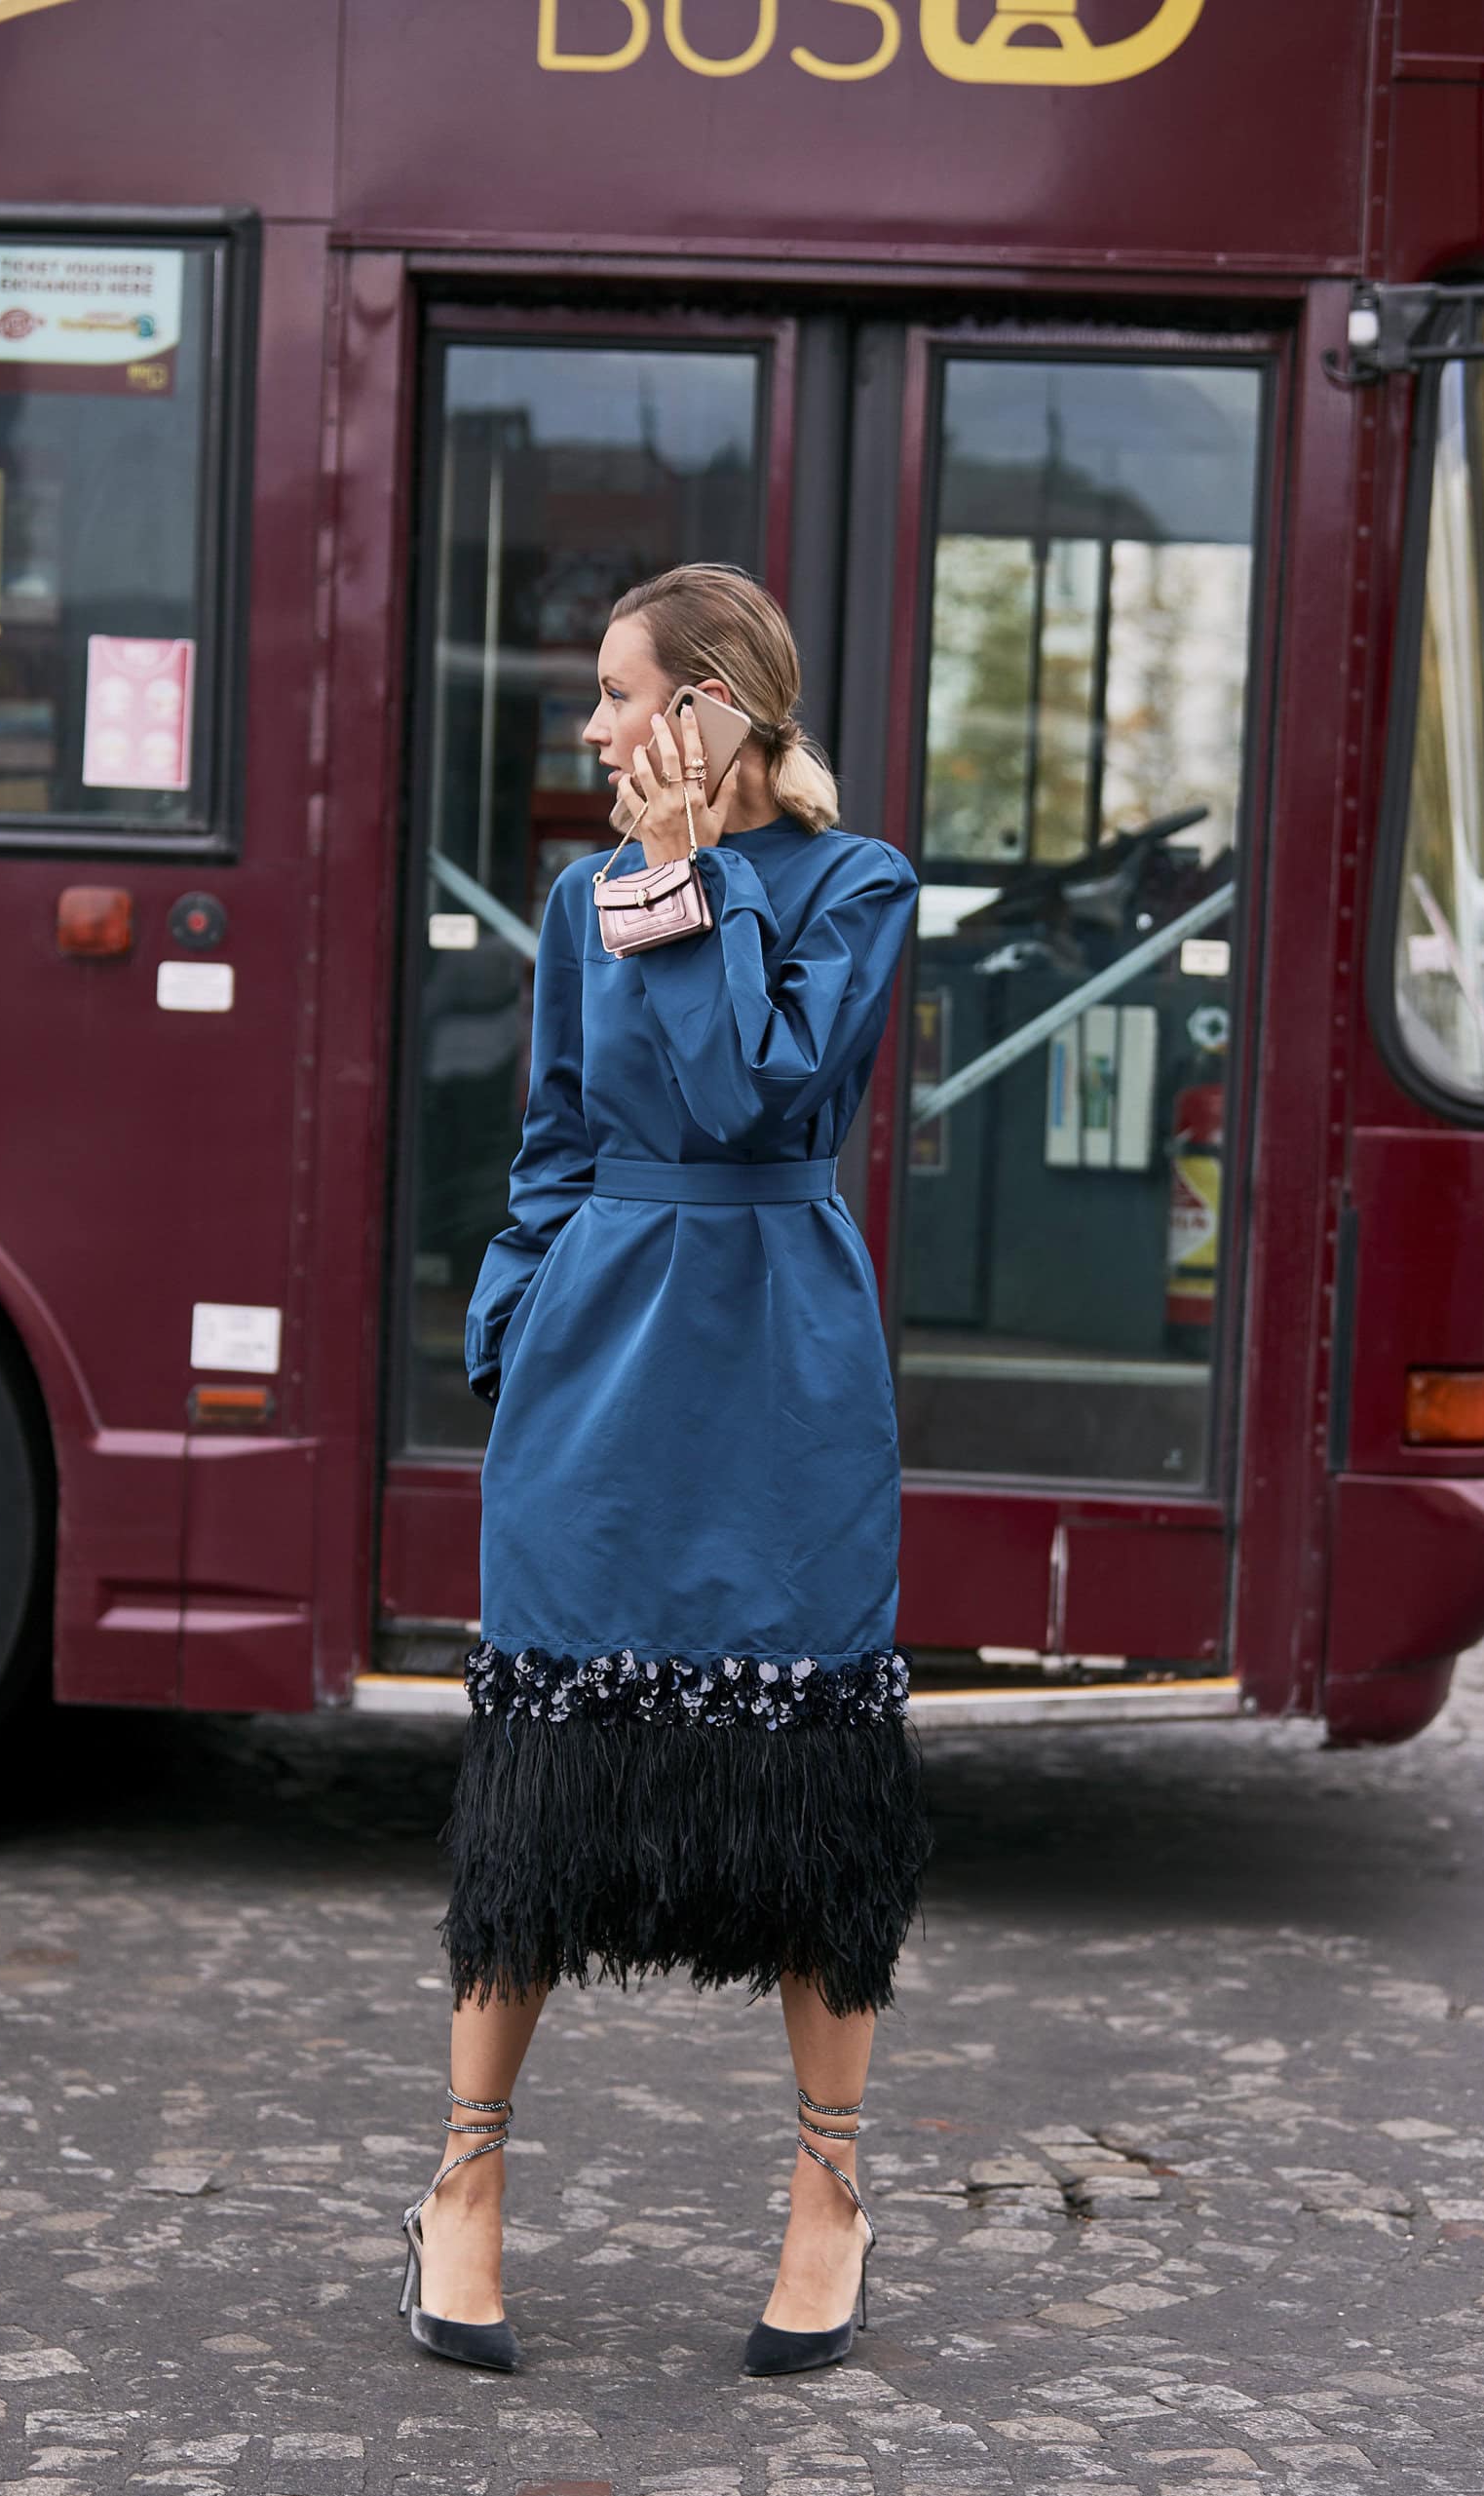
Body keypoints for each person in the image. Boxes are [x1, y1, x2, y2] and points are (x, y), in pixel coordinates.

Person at [398, 562, 932, 2380]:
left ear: (715, 706)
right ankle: (462, 2183)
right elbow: (558, 1131)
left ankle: (830, 2192)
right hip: (598, 1356)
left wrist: (691, 889)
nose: (599, 731)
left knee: (812, 1792)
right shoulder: (579, 892)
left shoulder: (859, 887)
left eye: (625, 697)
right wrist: (513, 1313)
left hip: (780, 1358)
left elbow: (753, 1099)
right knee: (542, 1779)